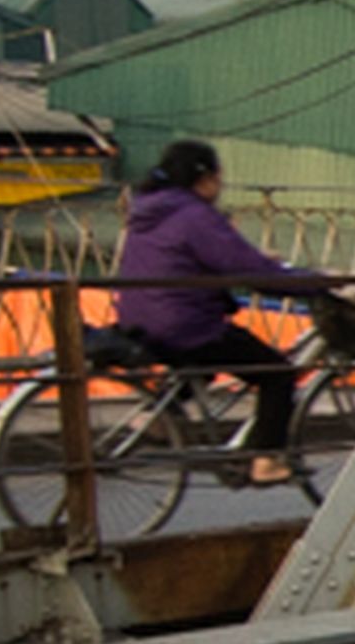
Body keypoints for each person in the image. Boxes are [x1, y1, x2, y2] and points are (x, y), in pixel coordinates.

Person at [115, 138, 314, 484]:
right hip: (183, 323)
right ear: (205, 179)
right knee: (277, 373)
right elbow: (245, 269)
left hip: (139, 317)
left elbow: (196, 261)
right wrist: (312, 284)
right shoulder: (194, 215)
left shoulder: (150, 209)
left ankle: (158, 416)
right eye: (219, 179)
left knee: (201, 365)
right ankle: (263, 460)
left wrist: (257, 264)